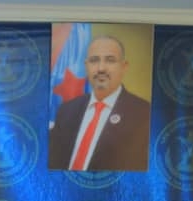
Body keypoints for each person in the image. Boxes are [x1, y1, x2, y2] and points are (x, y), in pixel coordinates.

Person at [47, 35, 151, 172]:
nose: (101, 68)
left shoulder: (144, 115)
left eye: (110, 60)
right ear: (86, 66)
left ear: (124, 67)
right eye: (94, 60)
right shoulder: (66, 110)